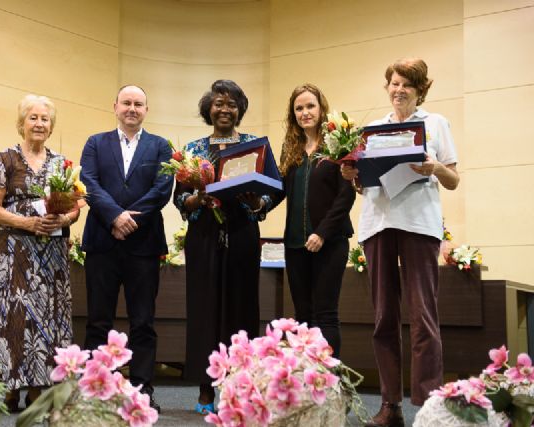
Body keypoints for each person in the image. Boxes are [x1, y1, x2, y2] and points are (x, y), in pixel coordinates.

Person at [341, 58, 460, 427]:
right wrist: (352, 175)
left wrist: (434, 167)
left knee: (423, 316)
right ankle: (391, 406)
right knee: (383, 318)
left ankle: (428, 408)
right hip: (378, 225)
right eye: (393, 83)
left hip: (419, 226)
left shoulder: (436, 124)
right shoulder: (372, 129)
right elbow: (363, 183)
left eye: (406, 84)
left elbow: (453, 179)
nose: (398, 89)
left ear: (420, 89)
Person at [173, 79, 277, 415]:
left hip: (243, 233)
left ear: (239, 109)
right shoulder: (192, 149)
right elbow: (179, 198)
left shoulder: (255, 145)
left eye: (232, 104)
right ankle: (206, 389)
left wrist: (258, 202)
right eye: (219, 103)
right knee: (205, 309)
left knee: (242, 308)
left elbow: (275, 188)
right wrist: (196, 198)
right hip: (203, 236)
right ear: (209, 108)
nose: (225, 109)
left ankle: (241, 386)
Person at [0, 94, 80, 412]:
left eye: (45, 119)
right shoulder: (6, 159)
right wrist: (26, 222)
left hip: (52, 257)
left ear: (52, 126)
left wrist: (63, 218)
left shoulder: (61, 164)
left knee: (47, 320)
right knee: (16, 318)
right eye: (33, 118)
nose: (39, 123)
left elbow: (76, 207)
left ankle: (41, 389)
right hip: (15, 255)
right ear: (22, 123)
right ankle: (11, 388)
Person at [80, 85, 172, 413]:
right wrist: (114, 216)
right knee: (97, 320)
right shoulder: (95, 143)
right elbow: (89, 183)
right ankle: (93, 390)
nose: (132, 108)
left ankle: (143, 389)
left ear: (146, 109)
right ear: (115, 106)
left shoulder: (161, 146)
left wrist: (130, 219)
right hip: (103, 242)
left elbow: (162, 190)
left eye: (138, 104)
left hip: (144, 245)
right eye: (126, 103)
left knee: (143, 321)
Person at [273, 84, 355, 358]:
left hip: (330, 242)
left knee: (326, 314)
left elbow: (346, 196)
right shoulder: (290, 147)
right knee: (303, 315)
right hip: (296, 244)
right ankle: (306, 384)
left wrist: (321, 233)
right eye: (299, 108)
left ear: (321, 109)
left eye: (310, 106)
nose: (305, 112)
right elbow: (280, 190)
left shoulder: (337, 142)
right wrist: (257, 205)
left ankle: (332, 385)